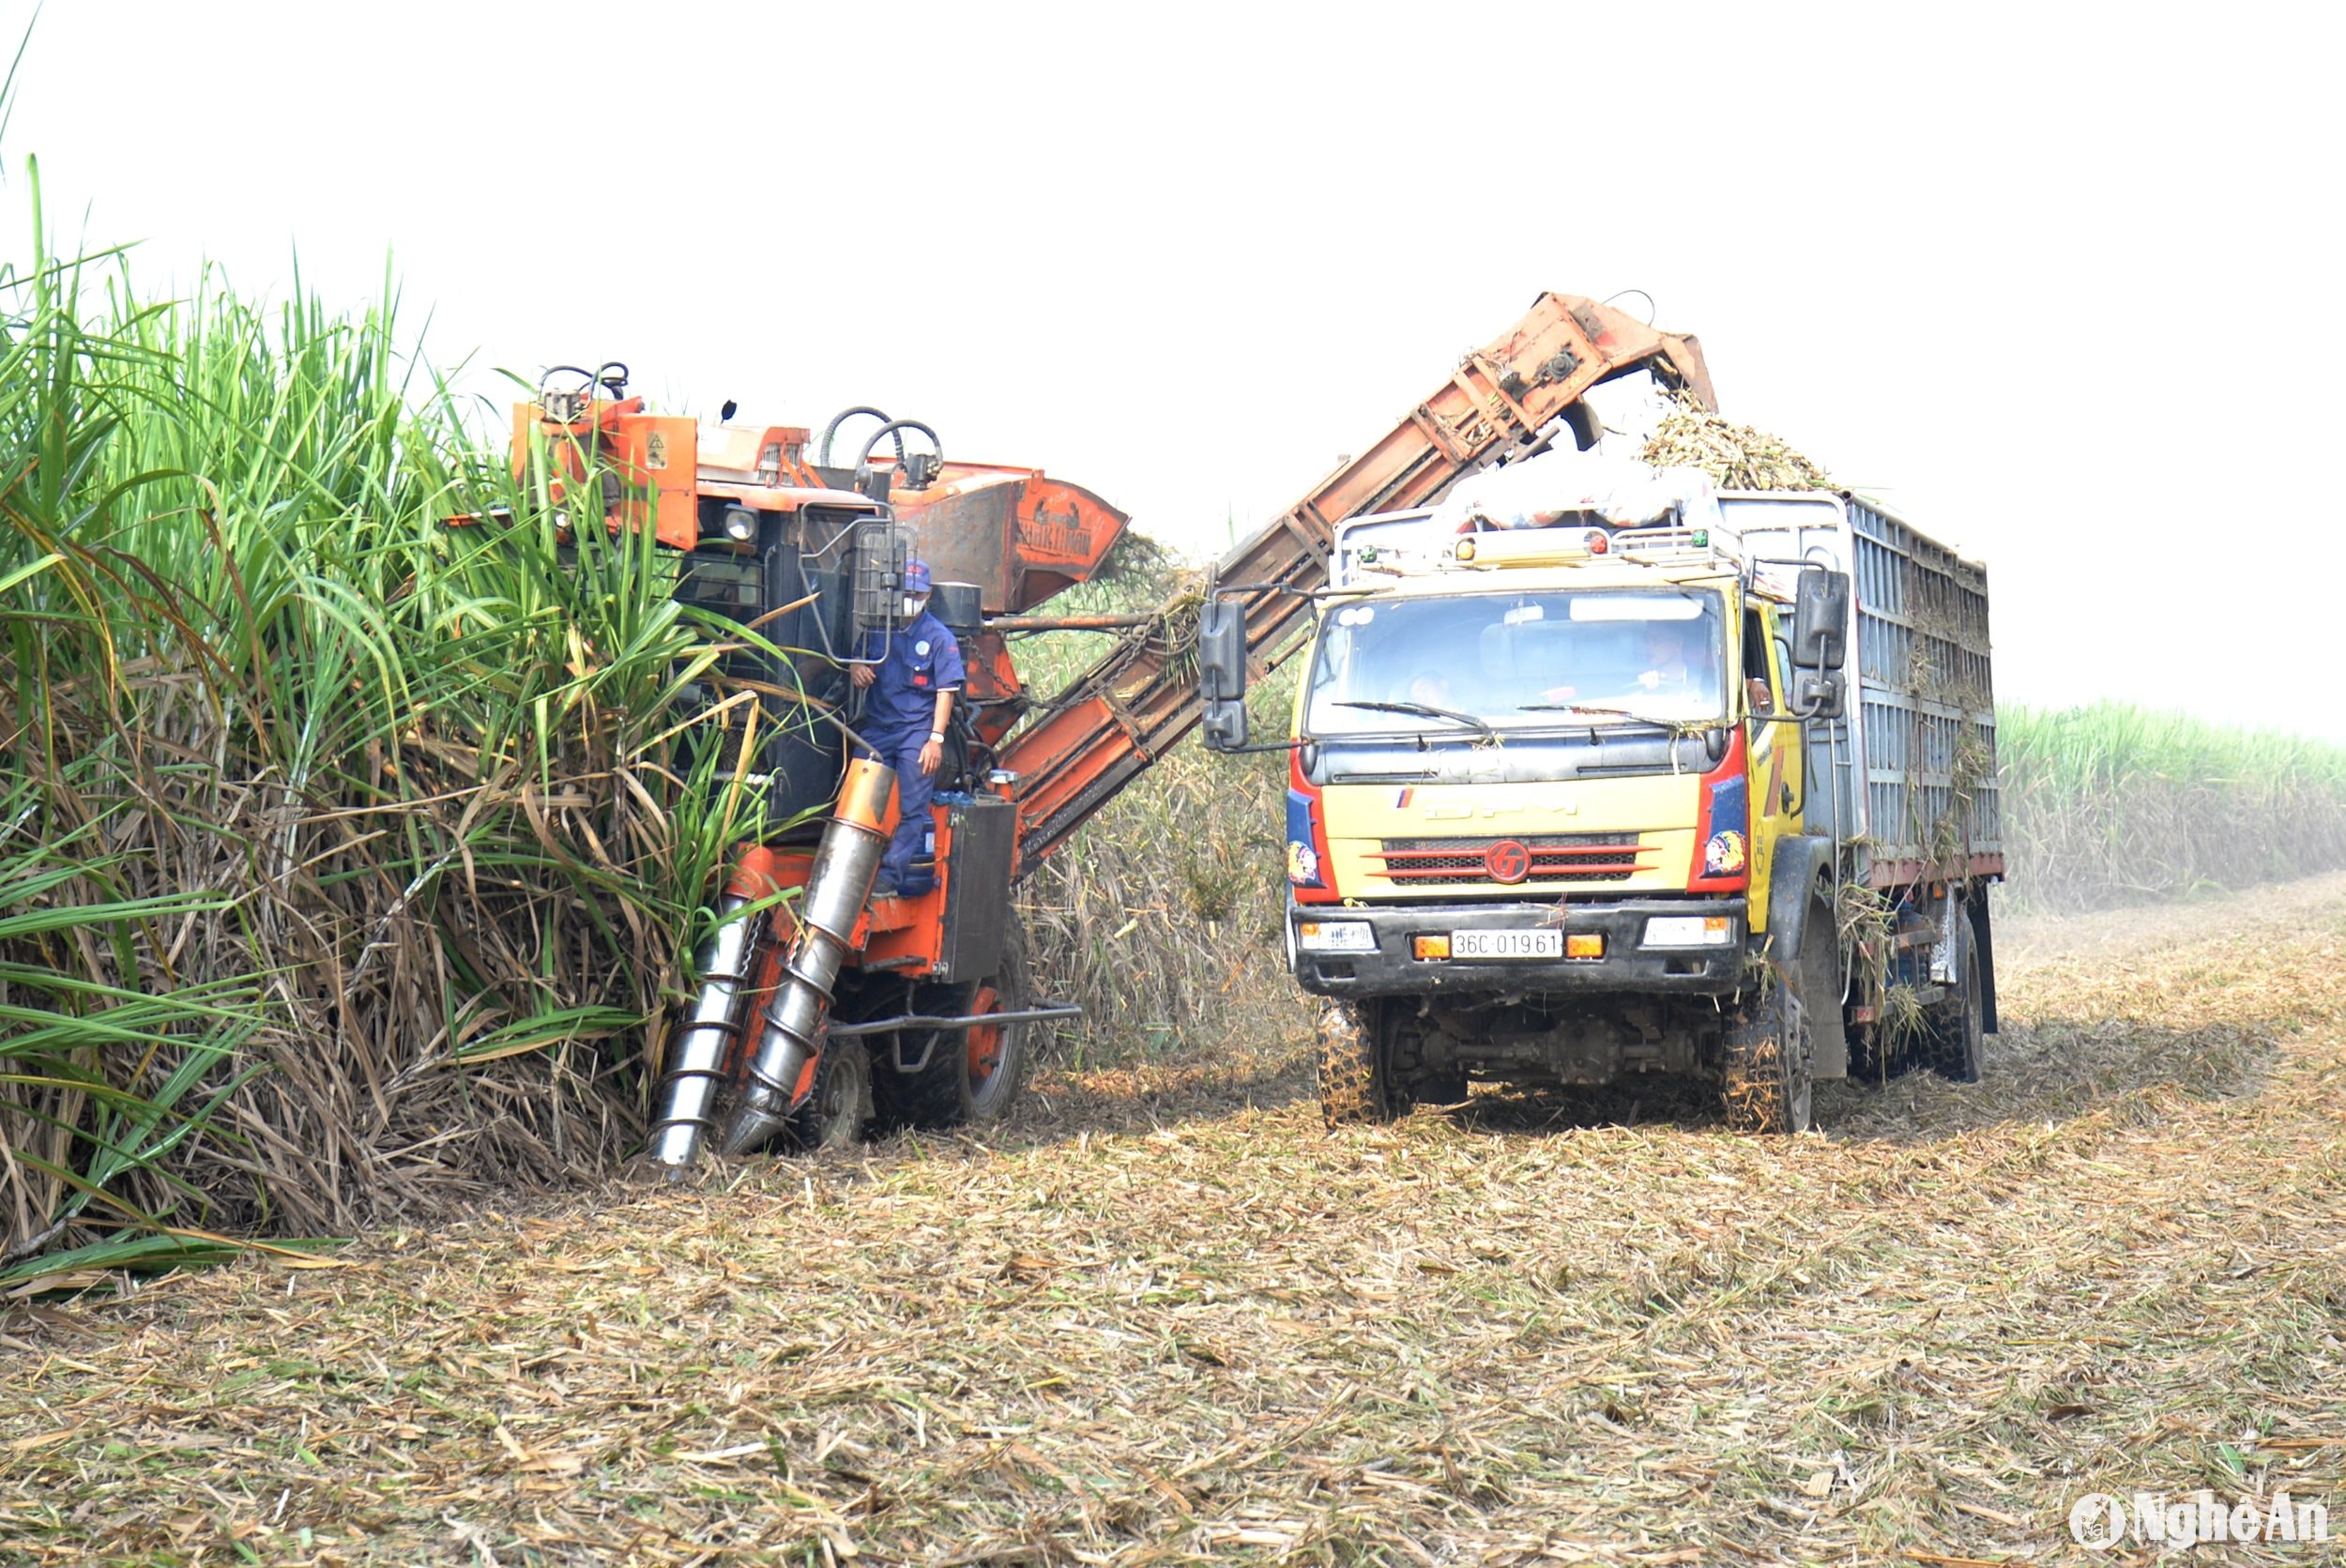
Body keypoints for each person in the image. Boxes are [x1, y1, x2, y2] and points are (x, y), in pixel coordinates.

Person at [848, 560, 964, 897]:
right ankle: (854, 869)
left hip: (916, 731)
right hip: (878, 728)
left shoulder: (939, 638)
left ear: (927, 595)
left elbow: (946, 691)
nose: (909, 599)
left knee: (913, 805)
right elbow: (857, 660)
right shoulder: (876, 629)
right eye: (904, 593)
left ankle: (888, 877)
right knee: (860, 794)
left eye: (915, 593)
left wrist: (935, 741)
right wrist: (857, 669)